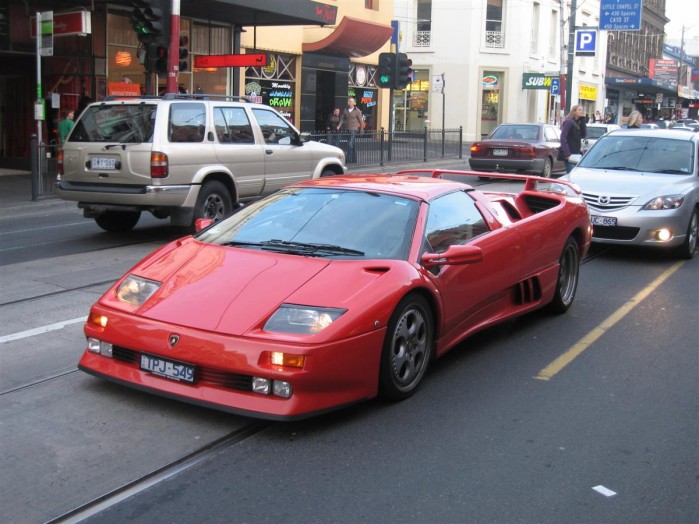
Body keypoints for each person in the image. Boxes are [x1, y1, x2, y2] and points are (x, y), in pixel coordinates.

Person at [559, 104, 587, 173]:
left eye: (582, 110)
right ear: (574, 112)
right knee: (571, 175)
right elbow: (563, 137)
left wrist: (583, 120)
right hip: (570, 154)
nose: (582, 111)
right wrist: (567, 154)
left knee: (576, 175)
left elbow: (583, 135)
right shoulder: (569, 122)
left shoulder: (578, 123)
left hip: (576, 153)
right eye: (579, 110)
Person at [337, 97, 363, 162]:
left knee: (350, 144)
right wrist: (339, 126)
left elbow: (360, 121)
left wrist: (361, 130)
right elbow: (343, 119)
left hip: (353, 129)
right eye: (349, 101)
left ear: (354, 103)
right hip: (347, 129)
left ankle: (348, 159)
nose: (349, 103)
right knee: (352, 145)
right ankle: (354, 159)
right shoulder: (345, 110)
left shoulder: (357, 111)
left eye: (351, 101)